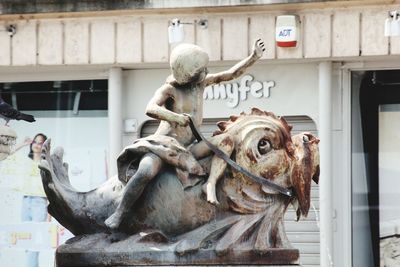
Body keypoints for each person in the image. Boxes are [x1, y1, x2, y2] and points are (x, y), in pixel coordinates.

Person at [105, 39, 265, 229]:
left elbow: (229, 74)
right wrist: (175, 117)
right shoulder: (169, 89)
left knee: (227, 140)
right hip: (164, 146)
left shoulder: (200, 84)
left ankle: (210, 184)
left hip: (188, 148)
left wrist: (253, 57)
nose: (206, 73)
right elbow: (150, 108)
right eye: (201, 71)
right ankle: (120, 213)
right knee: (146, 170)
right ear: (189, 75)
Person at [20, 133, 48, 267]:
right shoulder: (25, 162)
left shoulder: (45, 164)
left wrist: (50, 210)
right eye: (35, 142)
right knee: (26, 241)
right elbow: (7, 158)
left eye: (40, 142)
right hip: (25, 201)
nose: (37, 145)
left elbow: (49, 187)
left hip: (40, 202)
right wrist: (22, 144)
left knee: (34, 241)